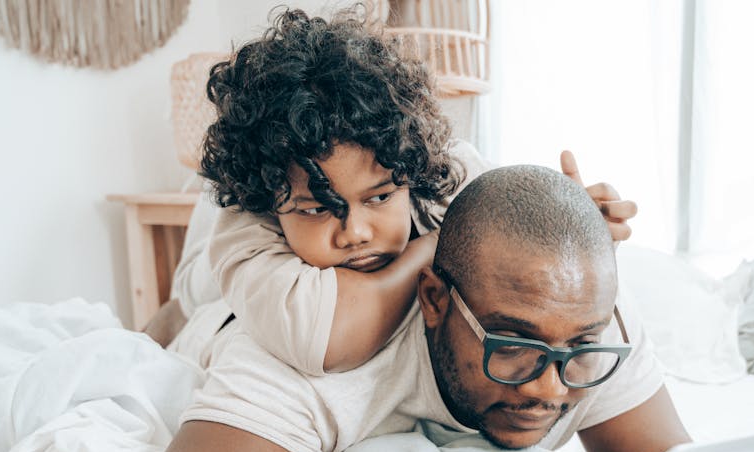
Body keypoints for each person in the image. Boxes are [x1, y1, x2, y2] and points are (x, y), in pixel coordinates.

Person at [149, 165, 690, 452]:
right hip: (217, 323)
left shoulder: (588, 316)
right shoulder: (311, 352)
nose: (548, 388)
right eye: (511, 346)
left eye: (578, 349)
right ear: (434, 300)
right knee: (196, 293)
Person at [146, 8, 636, 373]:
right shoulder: (245, 220)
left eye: (379, 197)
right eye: (318, 209)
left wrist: (576, 220)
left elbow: (515, 226)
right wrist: (431, 247)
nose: (355, 233)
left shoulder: (440, 169)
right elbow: (326, 342)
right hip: (216, 299)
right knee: (189, 304)